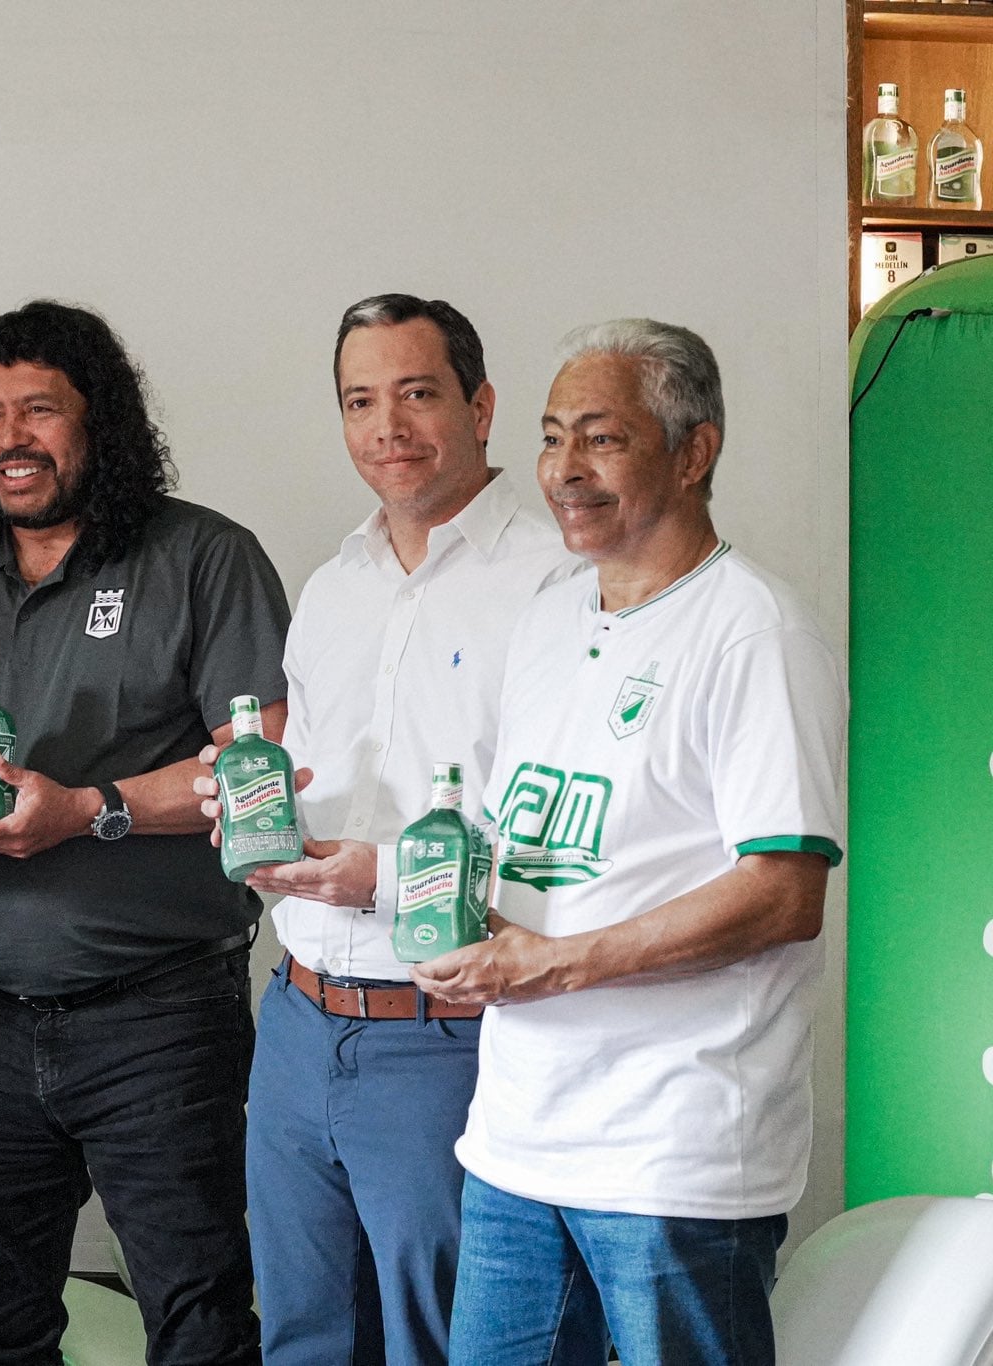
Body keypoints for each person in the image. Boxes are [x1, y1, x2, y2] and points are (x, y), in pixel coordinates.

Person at [0, 300, 286, 1365]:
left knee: (198, 1321)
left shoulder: (202, 557)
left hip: (163, 1016)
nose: (10, 436)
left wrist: (87, 811)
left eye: (39, 408)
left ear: (101, 425)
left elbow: (258, 767)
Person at [413, 319, 846, 1365]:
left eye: (600, 438)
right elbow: (538, 845)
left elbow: (780, 892)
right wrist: (431, 905)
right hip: (519, 1134)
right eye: (552, 435)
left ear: (691, 452)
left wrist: (555, 964)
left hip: (671, 1155)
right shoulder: (551, 617)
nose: (563, 469)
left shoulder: (753, 631)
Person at [224, 295, 576, 1366]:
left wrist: (384, 877)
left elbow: (564, 825)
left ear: (478, 404)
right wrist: (249, 814)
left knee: (439, 1340)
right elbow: (317, 779)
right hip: (293, 1021)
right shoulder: (333, 585)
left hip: (441, 1031)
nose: (387, 426)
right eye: (359, 400)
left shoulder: (556, 578)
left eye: (416, 393)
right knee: (300, 1334)